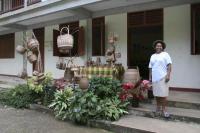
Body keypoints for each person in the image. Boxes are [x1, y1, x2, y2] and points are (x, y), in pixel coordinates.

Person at [148, 40, 172, 118]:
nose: (159, 47)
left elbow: (169, 65)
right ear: (155, 47)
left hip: (163, 77)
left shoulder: (165, 54)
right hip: (155, 78)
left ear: (162, 47)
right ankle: (158, 108)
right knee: (157, 94)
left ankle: (164, 110)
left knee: (163, 94)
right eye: (157, 46)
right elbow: (150, 68)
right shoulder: (152, 56)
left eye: (160, 46)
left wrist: (168, 75)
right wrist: (150, 78)